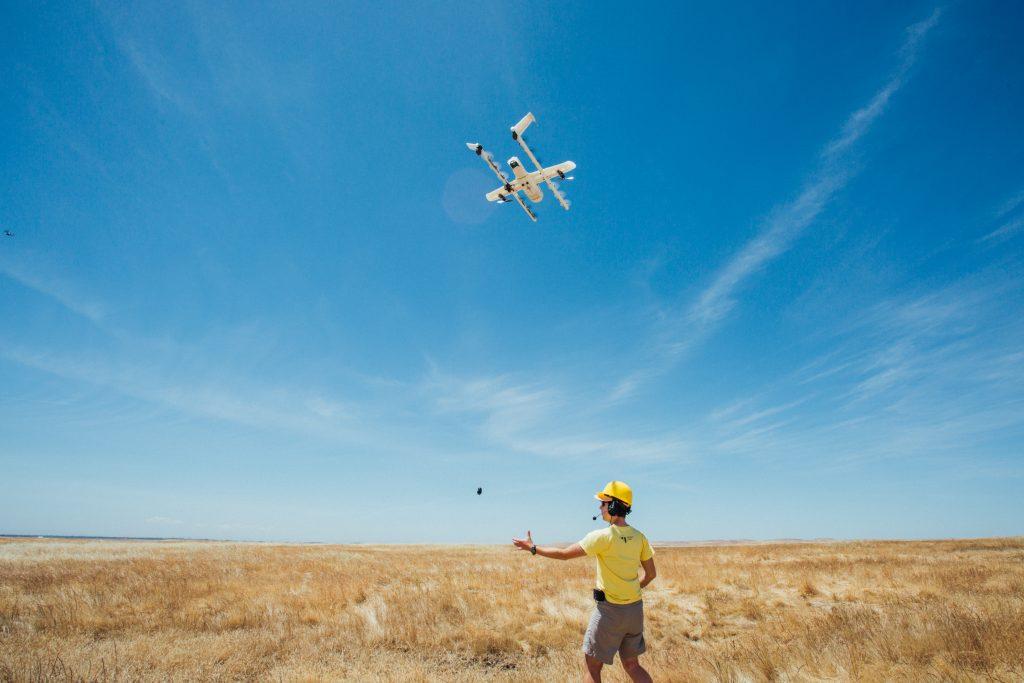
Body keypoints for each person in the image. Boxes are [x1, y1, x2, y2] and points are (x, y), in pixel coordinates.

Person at [513, 480, 657, 683]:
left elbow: (564, 555)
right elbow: (651, 574)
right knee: (632, 665)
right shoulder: (640, 537)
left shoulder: (602, 537)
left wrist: (533, 548)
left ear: (614, 505)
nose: (600, 508)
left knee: (592, 666)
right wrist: (632, 589)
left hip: (610, 612)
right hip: (635, 610)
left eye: (603, 503)